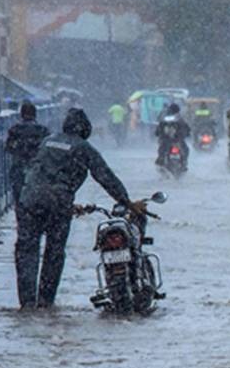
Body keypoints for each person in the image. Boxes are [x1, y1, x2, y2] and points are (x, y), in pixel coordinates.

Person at [15, 109, 142, 310]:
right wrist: (127, 202)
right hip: (58, 205)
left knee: (26, 251)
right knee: (54, 253)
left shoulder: (48, 141)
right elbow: (105, 176)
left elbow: (32, 169)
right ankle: (45, 303)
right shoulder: (83, 147)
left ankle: (27, 304)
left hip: (29, 201)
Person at [6, 101, 50, 217]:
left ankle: (22, 224)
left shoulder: (14, 130)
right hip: (38, 171)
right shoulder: (43, 130)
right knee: (38, 201)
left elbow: (9, 148)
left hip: (18, 170)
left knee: (19, 201)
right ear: (35, 114)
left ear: (21, 114)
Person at [154, 103, 190, 171]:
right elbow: (159, 128)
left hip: (175, 140)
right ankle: (162, 160)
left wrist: (186, 132)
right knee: (162, 149)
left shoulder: (179, 118)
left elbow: (186, 128)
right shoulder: (169, 118)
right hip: (172, 140)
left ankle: (183, 162)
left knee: (185, 149)